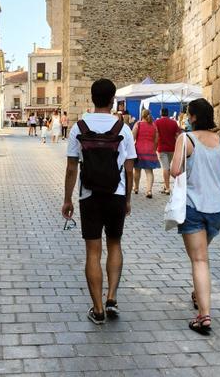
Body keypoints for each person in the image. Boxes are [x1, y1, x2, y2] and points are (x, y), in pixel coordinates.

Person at [62, 79, 136, 325]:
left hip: (89, 196)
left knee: (93, 252)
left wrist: (67, 199)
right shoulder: (122, 128)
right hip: (116, 194)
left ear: (92, 99)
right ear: (112, 99)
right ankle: (112, 298)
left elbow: (72, 167)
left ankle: (98, 309)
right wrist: (127, 199)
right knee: (115, 244)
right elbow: (129, 167)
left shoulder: (79, 127)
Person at [169, 98, 220, 335]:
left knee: (199, 260)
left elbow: (175, 170)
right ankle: (199, 293)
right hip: (217, 210)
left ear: (192, 117)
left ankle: (204, 316)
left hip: (193, 207)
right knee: (202, 257)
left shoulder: (186, 139)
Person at [132, 109, 159, 198]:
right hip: (150, 150)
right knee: (149, 171)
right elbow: (156, 139)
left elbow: (133, 137)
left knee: (137, 170)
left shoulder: (138, 124)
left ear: (142, 115)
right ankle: (149, 191)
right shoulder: (154, 126)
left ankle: (136, 188)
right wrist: (154, 149)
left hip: (139, 150)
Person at [155, 107, 181, 195]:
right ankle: (165, 186)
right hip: (172, 148)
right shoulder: (173, 123)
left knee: (166, 168)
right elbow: (178, 135)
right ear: (168, 113)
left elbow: (155, 135)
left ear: (160, 113)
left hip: (161, 148)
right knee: (167, 167)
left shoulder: (157, 122)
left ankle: (167, 188)